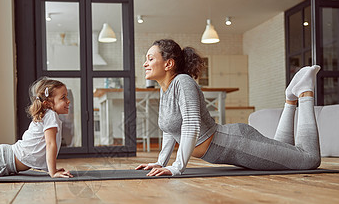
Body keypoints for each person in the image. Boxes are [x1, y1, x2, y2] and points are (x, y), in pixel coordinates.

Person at [136, 39, 321, 176]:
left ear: (168, 64)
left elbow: (191, 125)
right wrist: (161, 162)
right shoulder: (165, 89)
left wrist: (176, 168)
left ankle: (304, 92)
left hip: (237, 143)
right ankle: (290, 99)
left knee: (309, 159)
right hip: (228, 149)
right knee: (286, 150)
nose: (145, 63)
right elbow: (170, 129)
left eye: (150, 59)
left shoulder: (183, 82)